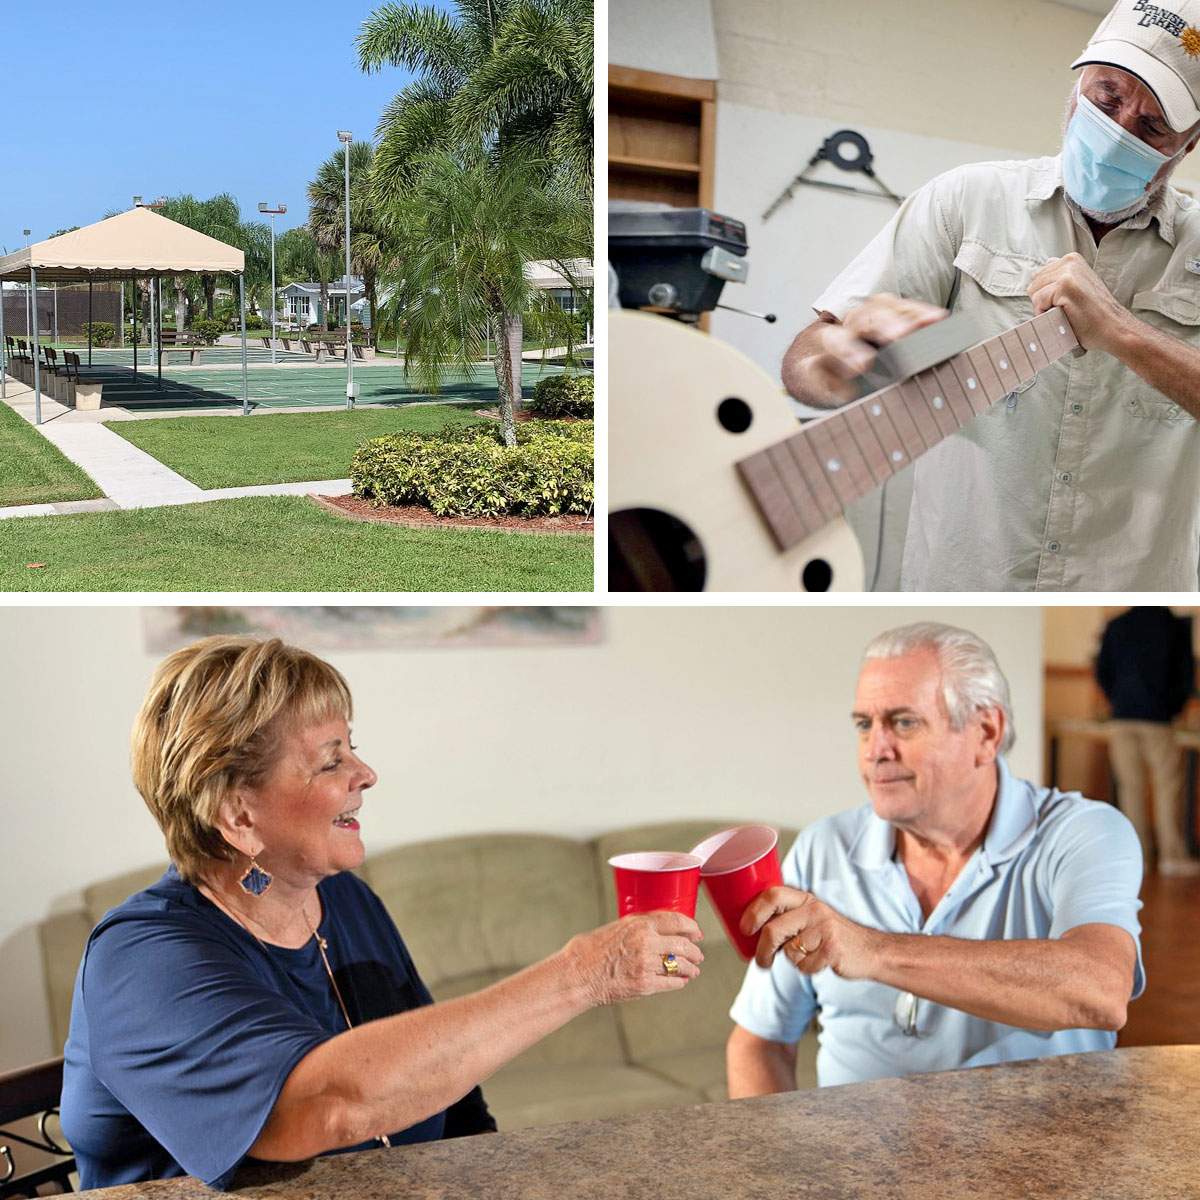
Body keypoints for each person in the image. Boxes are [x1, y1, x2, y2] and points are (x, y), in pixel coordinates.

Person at [60, 637, 704, 1191]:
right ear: (238, 814)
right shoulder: (142, 960)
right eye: (329, 759)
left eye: (353, 748)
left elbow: (451, 1101)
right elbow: (328, 1107)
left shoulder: (344, 899)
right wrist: (584, 973)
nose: (366, 774)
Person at [781, 0, 1200, 591]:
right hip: (963, 579)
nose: (1118, 132)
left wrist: (1121, 332)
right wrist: (838, 360)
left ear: (1188, 145)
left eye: (1153, 126)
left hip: (1130, 590)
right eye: (1107, 97)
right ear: (1077, 86)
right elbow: (807, 360)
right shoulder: (964, 202)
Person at [726, 622, 1144, 1095]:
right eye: (865, 725)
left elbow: (1101, 990)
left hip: (1031, 1161)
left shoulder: (1083, 832)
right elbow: (759, 1042)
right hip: (853, 1163)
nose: (876, 751)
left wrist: (873, 950)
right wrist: (774, 1168)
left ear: (987, 732)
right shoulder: (822, 847)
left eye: (904, 722)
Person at [1097, 606, 1198, 874]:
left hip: (1121, 717)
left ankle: (1137, 855)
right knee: (1168, 788)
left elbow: (1102, 670)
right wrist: (1173, 708)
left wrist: (1117, 701)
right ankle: (1171, 856)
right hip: (1158, 719)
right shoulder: (1173, 626)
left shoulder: (1117, 625)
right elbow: (1186, 674)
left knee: (1131, 788)